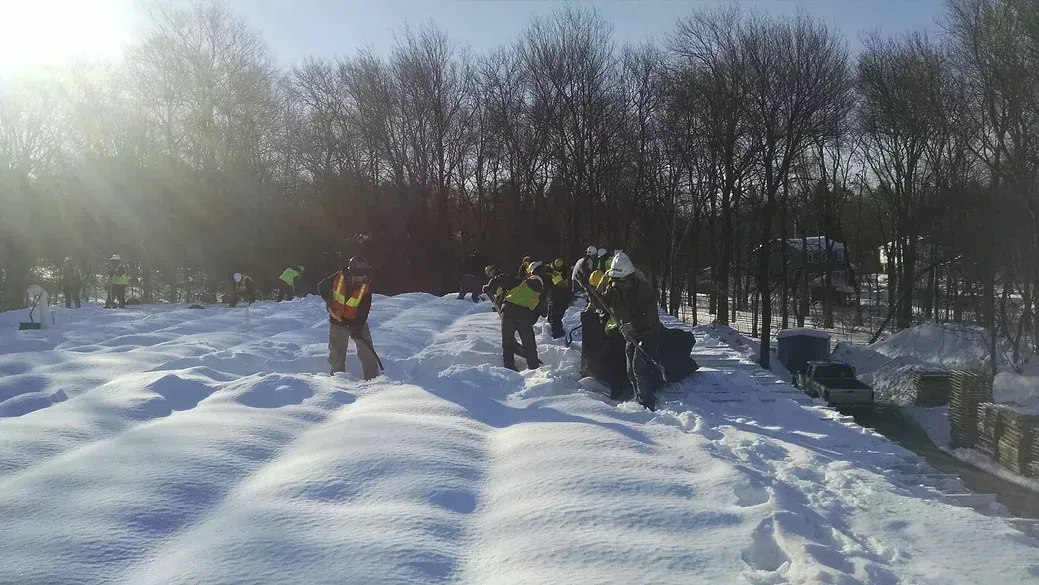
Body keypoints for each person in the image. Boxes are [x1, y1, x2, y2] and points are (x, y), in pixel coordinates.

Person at [594, 252, 662, 411]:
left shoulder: (643, 290)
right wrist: (595, 296)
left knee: (639, 368)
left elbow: (651, 317)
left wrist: (632, 324)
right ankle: (640, 396)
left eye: (621, 280)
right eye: (615, 279)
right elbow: (604, 301)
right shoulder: (614, 286)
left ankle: (646, 405)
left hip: (648, 332)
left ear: (630, 277)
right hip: (629, 334)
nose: (617, 283)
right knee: (630, 370)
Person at [318, 256, 380, 380]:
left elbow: (364, 308)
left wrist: (357, 326)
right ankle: (338, 382)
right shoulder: (338, 277)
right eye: (358, 277)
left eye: (363, 276)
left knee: (367, 353)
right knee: (337, 355)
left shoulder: (366, 286)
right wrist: (330, 303)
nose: (361, 279)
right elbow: (322, 286)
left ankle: (374, 382)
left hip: (357, 322)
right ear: (350, 272)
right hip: (337, 321)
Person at [485, 261, 543, 371]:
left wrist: (490, 285)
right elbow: (539, 311)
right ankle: (534, 368)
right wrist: (529, 323)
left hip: (508, 310)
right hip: (524, 316)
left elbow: (503, 277)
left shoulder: (521, 283)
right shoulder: (539, 294)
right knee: (529, 344)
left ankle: (509, 367)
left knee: (507, 342)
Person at [546, 257, 571, 339]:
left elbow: (563, 284)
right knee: (552, 313)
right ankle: (553, 330)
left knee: (556, 315)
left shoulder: (564, 272)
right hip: (553, 294)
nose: (558, 268)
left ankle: (556, 333)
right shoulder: (550, 271)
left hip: (559, 295)